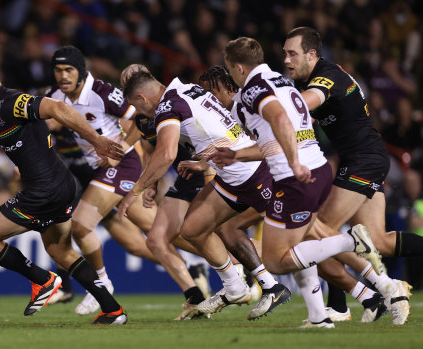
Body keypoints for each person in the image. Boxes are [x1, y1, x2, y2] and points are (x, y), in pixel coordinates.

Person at [0, 56, 127, 324]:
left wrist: (97, 140)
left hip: (44, 190)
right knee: (61, 252)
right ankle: (113, 311)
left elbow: (57, 108)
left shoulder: (12, 101)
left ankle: (43, 280)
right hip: (58, 185)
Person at [201, 65, 388, 324]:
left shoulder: (246, 103)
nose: (211, 99)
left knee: (270, 247)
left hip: (282, 179)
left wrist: (290, 162)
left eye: (212, 92)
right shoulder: (274, 89)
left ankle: (354, 268)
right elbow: (267, 142)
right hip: (293, 174)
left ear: (229, 85)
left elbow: (274, 138)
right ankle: (363, 296)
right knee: (305, 240)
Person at [118, 65, 292, 321]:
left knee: (301, 238)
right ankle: (245, 287)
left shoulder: (168, 107)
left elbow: (165, 154)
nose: (141, 112)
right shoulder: (189, 89)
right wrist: (204, 162)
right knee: (192, 230)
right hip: (231, 173)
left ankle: (350, 254)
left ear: (142, 98)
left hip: (251, 173)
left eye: (137, 105)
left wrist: (136, 189)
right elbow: (218, 128)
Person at [283, 26, 412, 325]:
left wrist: (269, 108)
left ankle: (366, 297)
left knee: (319, 234)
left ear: (312, 54)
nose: (287, 60)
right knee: (378, 241)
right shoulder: (314, 77)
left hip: (363, 161)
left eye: (293, 53)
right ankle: (347, 304)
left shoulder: (326, 77)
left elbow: (306, 102)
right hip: (363, 159)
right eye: (284, 53)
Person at [47, 46, 162, 315]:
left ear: (81, 72)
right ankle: (211, 266)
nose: (63, 76)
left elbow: (141, 120)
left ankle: (100, 284)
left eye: (68, 70)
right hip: (98, 172)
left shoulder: (103, 93)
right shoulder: (55, 97)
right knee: (157, 235)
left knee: (81, 225)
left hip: (123, 164)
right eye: (58, 70)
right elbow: (44, 126)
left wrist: (119, 148)